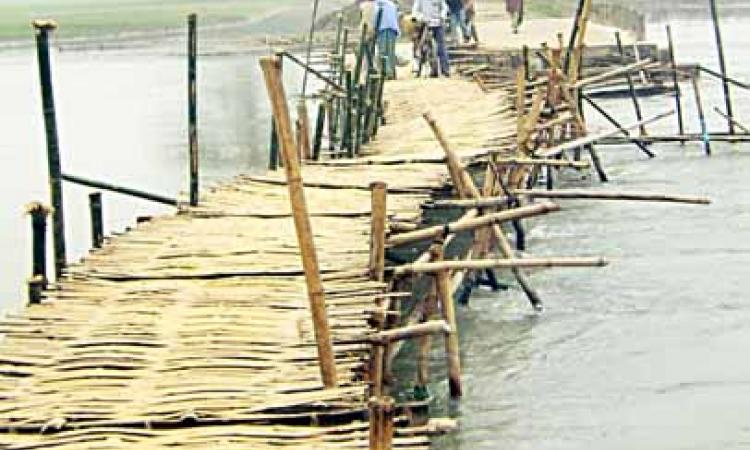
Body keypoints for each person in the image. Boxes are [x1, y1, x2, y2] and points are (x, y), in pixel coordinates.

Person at [411, 0, 450, 77]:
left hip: (438, 23)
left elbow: (444, 7)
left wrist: (442, 16)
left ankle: (445, 70)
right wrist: (417, 17)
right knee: (418, 44)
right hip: (424, 23)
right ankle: (417, 67)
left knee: (441, 47)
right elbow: (415, 9)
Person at [373, 0, 400, 80]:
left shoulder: (376, 5)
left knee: (383, 52)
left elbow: (374, 19)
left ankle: (386, 73)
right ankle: (391, 72)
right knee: (390, 52)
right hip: (392, 30)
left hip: (382, 29)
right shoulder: (391, 4)